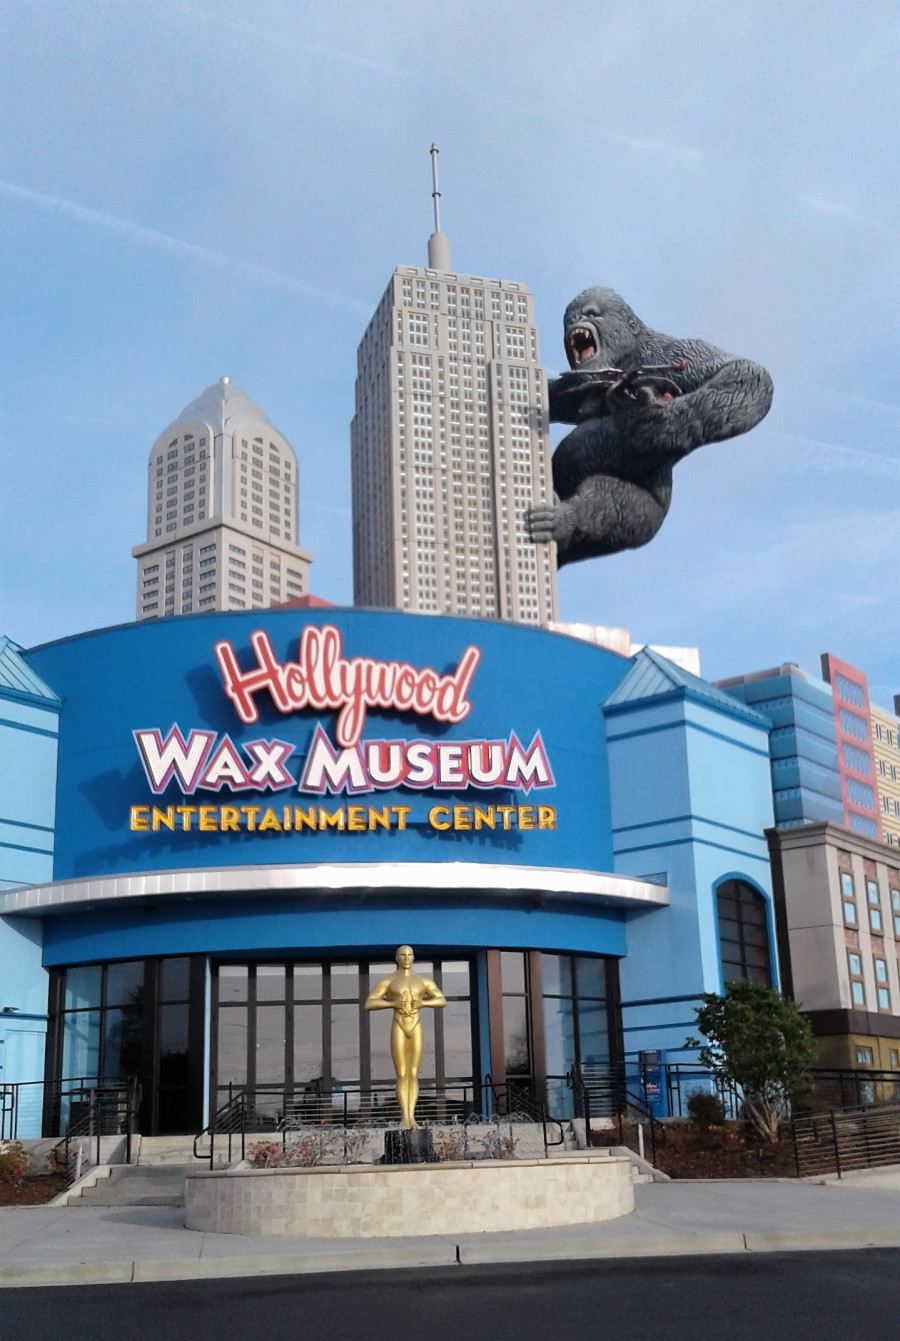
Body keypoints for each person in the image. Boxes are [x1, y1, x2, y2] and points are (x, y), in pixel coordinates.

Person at [365, 945, 446, 1129]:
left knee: (413, 1073)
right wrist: (392, 1003)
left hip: (415, 1026)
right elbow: (369, 1003)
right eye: (403, 955)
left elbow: (442, 1000)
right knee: (401, 1073)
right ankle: (405, 1117)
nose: (407, 958)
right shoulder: (389, 980)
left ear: (413, 957)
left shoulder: (422, 980)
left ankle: (412, 1118)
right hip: (399, 1025)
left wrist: (424, 1003)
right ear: (397, 957)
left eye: (409, 955)